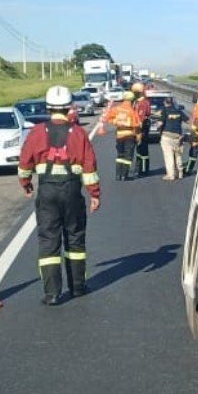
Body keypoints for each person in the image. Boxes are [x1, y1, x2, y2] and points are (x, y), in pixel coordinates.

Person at [18, 85, 101, 305]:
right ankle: (78, 288)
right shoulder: (79, 133)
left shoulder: (37, 132)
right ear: (69, 108)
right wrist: (95, 194)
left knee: (48, 241)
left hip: (47, 191)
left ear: (48, 107)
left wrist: (25, 184)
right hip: (72, 191)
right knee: (74, 238)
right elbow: (90, 166)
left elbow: (25, 161)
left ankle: (52, 294)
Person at [94, 91, 144, 181]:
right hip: (129, 135)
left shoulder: (117, 109)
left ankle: (118, 175)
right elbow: (136, 125)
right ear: (132, 100)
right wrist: (139, 136)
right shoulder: (132, 111)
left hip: (119, 135)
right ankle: (124, 175)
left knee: (120, 155)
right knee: (128, 156)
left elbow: (108, 118)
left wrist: (117, 122)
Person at [158, 98, 189, 181]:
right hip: (178, 136)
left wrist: (158, 124)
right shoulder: (178, 111)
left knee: (169, 156)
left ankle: (171, 175)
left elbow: (160, 123)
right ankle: (180, 173)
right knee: (178, 155)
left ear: (165, 103)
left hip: (167, 136)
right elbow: (188, 121)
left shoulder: (164, 110)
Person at [131, 82, 154, 177]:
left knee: (143, 149)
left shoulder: (143, 103)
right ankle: (139, 167)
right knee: (139, 150)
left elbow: (140, 118)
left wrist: (137, 131)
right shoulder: (137, 102)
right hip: (139, 128)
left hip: (142, 128)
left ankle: (144, 170)